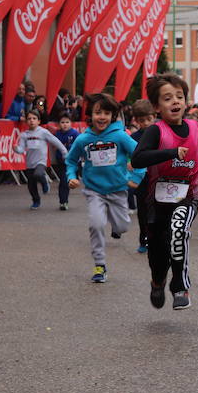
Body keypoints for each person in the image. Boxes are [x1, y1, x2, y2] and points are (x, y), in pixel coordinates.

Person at [131, 74, 198, 310]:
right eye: (168, 98)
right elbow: (137, 159)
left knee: (179, 229)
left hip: (188, 194)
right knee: (157, 250)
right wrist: (171, 152)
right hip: (157, 198)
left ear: (186, 101)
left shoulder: (195, 127)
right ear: (157, 106)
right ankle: (158, 281)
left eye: (179, 96)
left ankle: (180, 286)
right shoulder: (156, 131)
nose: (175, 101)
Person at [65, 94, 138, 283]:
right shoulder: (84, 139)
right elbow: (71, 161)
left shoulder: (120, 136)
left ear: (113, 116)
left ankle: (116, 225)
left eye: (107, 113)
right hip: (94, 191)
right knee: (96, 224)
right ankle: (100, 265)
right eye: (98, 112)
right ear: (91, 114)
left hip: (118, 189)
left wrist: (136, 175)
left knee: (123, 226)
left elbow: (139, 154)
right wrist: (72, 177)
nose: (102, 117)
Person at [15, 110, 68, 210]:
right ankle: (36, 200)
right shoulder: (24, 135)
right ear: (26, 121)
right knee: (31, 185)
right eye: (29, 119)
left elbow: (56, 141)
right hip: (30, 163)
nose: (31, 121)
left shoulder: (43, 132)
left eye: (34, 119)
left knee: (38, 174)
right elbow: (21, 149)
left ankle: (44, 182)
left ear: (39, 121)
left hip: (41, 161)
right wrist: (16, 149)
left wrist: (64, 152)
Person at [128, 100, 156, 253]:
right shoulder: (133, 137)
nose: (145, 123)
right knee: (142, 212)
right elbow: (128, 156)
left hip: (157, 178)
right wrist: (129, 164)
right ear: (136, 121)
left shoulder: (160, 132)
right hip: (140, 180)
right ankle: (143, 240)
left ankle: (155, 239)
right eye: (141, 120)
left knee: (157, 212)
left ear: (154, 116)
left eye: (148, 119)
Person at [53, 113, 80, 210]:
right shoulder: (58, 134)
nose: (65, 124)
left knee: (68, 180)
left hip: (73, 162)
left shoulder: (75, 134)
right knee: (63, 181)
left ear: (71, 123)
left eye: (67, 122)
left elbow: (79, 146)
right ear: (59, 124)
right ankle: (63, 201)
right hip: (61, 161)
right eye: (62, 122)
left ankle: (75, 179)